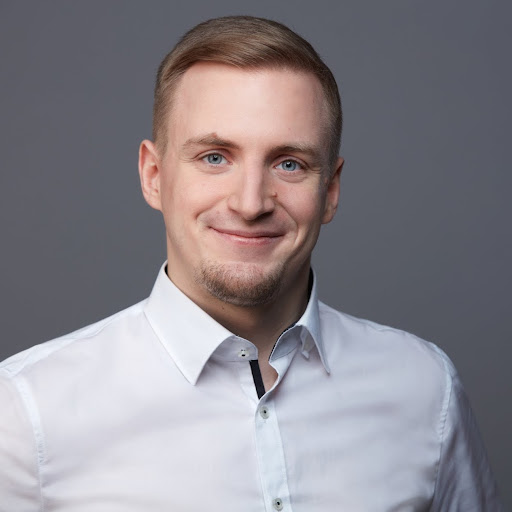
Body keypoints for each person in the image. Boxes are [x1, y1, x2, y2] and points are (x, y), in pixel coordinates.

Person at [0, 15, 502, 511]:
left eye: (289, 163)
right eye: (215, 157)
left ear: (330, 191)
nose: (250, 203)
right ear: (154, 175)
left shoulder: (425, 390)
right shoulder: (26, 414)